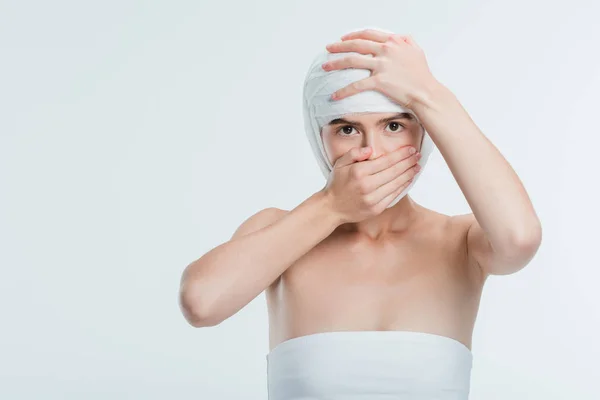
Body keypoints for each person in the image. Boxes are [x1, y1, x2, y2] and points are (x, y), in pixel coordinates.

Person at [179, 28, 542, 399]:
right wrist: (332, 205)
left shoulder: (461, 242)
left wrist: (428, 93)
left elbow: (520, 238)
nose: (373, 152)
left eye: (395, 125)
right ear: (318, 136)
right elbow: (201, 303)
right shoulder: (276, 230)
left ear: (425, 133)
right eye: (348, 129)